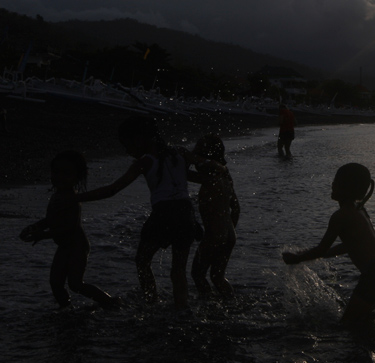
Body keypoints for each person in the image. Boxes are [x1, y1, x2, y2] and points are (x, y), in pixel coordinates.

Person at [76, 116, 216, 310]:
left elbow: (112, 190)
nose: (127, 151)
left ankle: (151, 303)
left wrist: (76, 198)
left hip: (163, 214)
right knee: (178, 271)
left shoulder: (145, 162)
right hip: (186, 214)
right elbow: (205, 176)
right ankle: (182, 310)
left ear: (141, 139)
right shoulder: (179, 154)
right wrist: (218, 172)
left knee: (142, 261)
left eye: (127, 145)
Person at [282, 163, 375, 324]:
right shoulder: (359, 210)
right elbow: (348, 246)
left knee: (347, 324)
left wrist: (297, 258)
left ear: (347, 188)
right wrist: (310, 254)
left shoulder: (340, 216)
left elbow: (321, 249)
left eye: (336, 182)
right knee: (362, 319)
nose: (332, 185)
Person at [19, 150, 120, 309]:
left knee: (76, 284)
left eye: (66, 173)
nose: (59, 176)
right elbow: (50, 220)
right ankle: (66, 310)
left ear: (77, 177)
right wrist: (35, 227)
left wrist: (42, 235)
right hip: (64, 247)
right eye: (56, 172)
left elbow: (68, 228)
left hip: (77, 247)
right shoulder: (57, 196)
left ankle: (110, 302)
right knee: (55, 283)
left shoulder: (72, 199)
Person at [188, 134, 239, 298]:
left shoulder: (208, 177)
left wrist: (189, 157)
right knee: (218, 277)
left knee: (197, 274)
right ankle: (231, 304)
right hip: (230, 235)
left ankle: (209, 308)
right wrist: (226, 231)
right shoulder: (225, 175)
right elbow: (236, 208)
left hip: (214, 236)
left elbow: (182, 173)